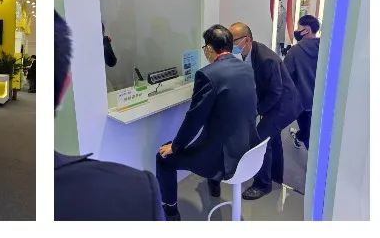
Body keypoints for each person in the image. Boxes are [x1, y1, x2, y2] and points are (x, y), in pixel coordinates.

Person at [55, 11, 162, 220]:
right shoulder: (138, 189)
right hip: (91, 90)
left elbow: (112, 62)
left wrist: (106, 44)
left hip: (103, 86)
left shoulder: (100, 42)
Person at [156, 24, 259, 220]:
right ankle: (214, 186)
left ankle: (171, 212)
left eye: (205, 47)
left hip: (225, 157)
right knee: (208, 136)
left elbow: (194, 119)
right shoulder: (246, 68)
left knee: (163, 158)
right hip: (248, 147)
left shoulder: (207, 74)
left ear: (209, 49)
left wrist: (175, 146)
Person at [229, 22, 301, 200]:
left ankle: (263, 184)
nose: (230, 44)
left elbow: (276, 91)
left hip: (284, 105)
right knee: (272, 139)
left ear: (247, 39)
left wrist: (257, 110)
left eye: (233, 40)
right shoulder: (249, 53)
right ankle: (275, 176)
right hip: (276, 102)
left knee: (259, 140)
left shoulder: (265, 58)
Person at [283, 15, 321, 150]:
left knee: (308, 134)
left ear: (307, 30)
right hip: (322, 101)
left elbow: (285, 76)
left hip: (303, 102)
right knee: (316, 131)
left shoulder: (294, 51)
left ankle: (301, 139)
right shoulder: (325, 48)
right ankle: (300, 137)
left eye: (299, 28)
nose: (297, 32)